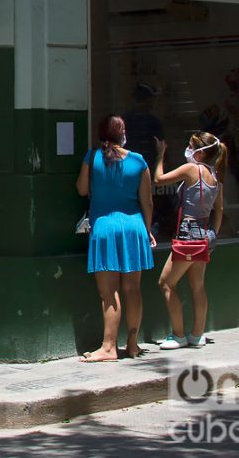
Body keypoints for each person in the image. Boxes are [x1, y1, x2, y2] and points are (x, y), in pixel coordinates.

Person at [76, 114, 157, 362]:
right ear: (123, 134)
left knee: (109, 292)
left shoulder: (93, 157)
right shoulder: (139, 161)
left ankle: (109, 347)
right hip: (134, 228)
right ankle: (132, 345)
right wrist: (148, 230)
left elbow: (81, 189)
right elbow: (147, 202)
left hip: (105, 228)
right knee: (133, 289)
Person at [152, 132, 226, 349]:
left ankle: (178, 335)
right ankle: (197, 334)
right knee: (198, 285)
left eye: (191, 146)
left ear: (200, 153)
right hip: (205, 233)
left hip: (189, 232)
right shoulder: (215, 175)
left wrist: (160, 155)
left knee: (166, 283)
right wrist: (212, 234)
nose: (188, 149)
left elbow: (158, 179)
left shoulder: (192, 169)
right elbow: (219, 209)